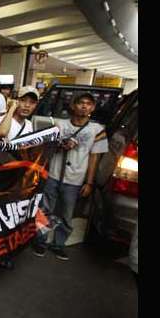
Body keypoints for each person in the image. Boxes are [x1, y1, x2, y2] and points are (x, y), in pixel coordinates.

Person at [31, 91, 107, 261]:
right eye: (81, 103)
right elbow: (45, 148)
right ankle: (40, 241)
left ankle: (58, 244)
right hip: (53, 175)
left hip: (76, 179)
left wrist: (89, 182)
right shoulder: (59, 124)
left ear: (92, 108)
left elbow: (95, 157)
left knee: (67, 214)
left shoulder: (98, 130)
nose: (84, 106)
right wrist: (60, 146)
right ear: (73, 106)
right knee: (45, 210)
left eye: (88, 103)